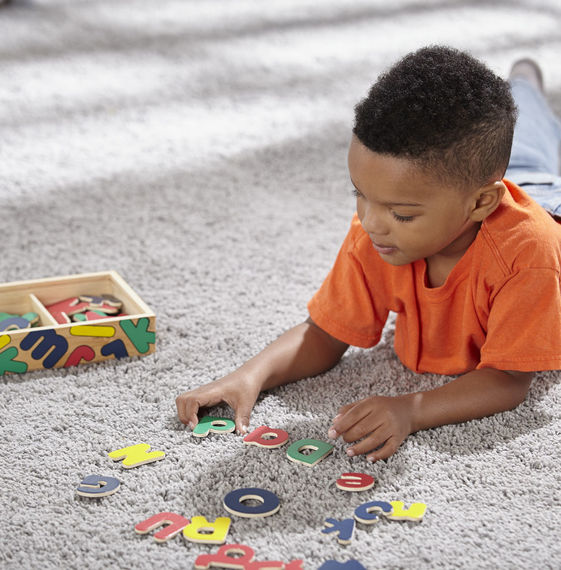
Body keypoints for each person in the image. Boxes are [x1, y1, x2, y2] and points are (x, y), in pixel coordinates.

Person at [176, 46, 561, 462]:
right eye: (360, 194)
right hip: (489, 186)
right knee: (525, 138)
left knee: (531, 139)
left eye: (401, 212)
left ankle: (522, 84)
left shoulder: (529, 257)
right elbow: (325, 333)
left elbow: (508, 379)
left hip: (543, 201)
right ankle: (522, 83)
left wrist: (411, 410)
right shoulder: (378, 233)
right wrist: (250, 375)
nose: (371, 221)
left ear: (481, 203)